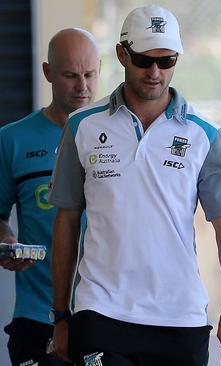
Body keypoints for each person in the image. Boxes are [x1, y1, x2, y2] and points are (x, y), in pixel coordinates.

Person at [48, 5, 221, 365]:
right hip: (100, 312)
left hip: (181, 318)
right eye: (144, 60)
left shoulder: (206, 134)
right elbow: (66, 222)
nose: (156, 72)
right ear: (121, 54)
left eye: (167, 60)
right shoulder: (82, 126)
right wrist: (61, 316)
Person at [0, 28, 100, 366]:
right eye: (71, 75)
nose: (82, 86)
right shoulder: (12, 140)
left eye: (89, 74)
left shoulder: (118, 136)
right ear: (47, 73)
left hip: (103, 314)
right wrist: (7, 241)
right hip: (36, 316)